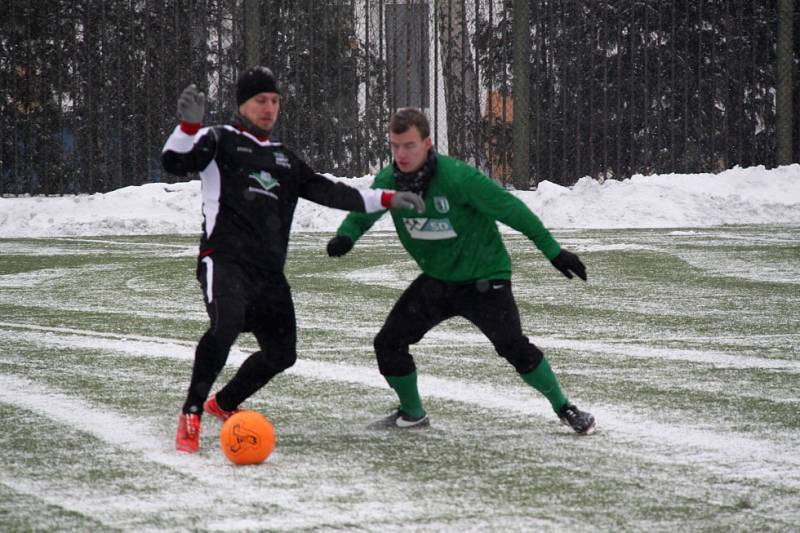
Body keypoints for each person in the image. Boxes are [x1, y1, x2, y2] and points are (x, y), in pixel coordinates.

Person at [162, 67, 424, 453]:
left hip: (269, 274)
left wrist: (387, 198)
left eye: (274, 101)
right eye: (260, 101)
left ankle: (225, 403)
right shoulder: (220, 140)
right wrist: (188, 126)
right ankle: (192, 413)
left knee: (282, 355)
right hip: (225, 261)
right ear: (242, 104)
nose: (269, 108)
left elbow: (331, 192)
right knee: (225, 327)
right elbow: (174, 161)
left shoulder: (284, 158)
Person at [327, 107, 595, 434]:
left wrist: (553, 251)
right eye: (395, 146)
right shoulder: (390, 181)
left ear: (427, 143)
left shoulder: (458, 178)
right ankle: (412, 415)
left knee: (512, 347)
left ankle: (564, 407)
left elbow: (512, 210)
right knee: (388, 343)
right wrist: (347, 235)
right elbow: (365, 209)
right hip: (438, 282)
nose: (401, 154)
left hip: (485, 279)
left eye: (409, 145)